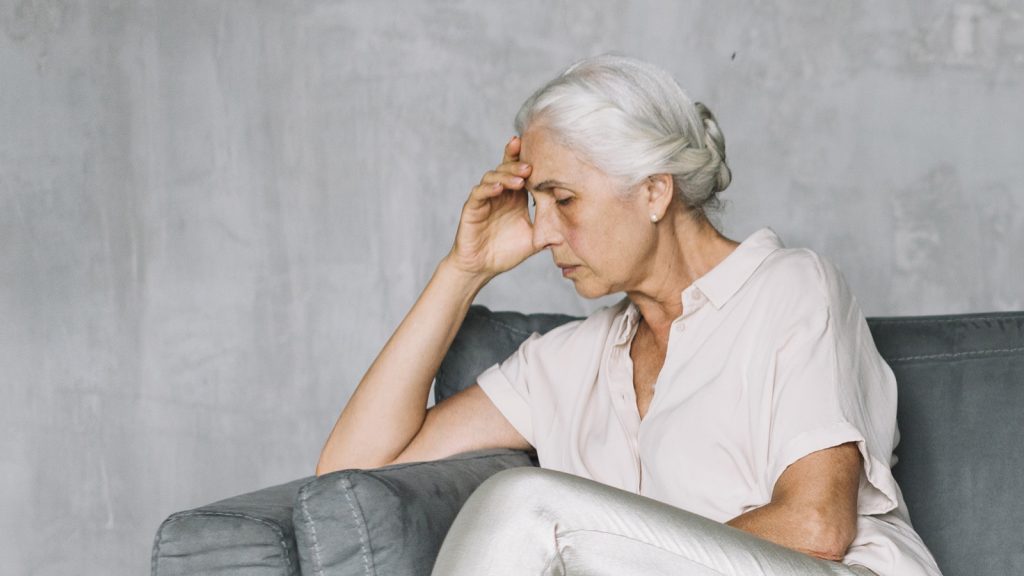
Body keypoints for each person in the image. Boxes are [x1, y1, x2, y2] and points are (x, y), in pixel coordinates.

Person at [316, 55, 942, 576]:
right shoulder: (567, 360)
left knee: (524, 506)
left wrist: (595, 549)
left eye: (563, 200)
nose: (544, 235)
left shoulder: (791, 288)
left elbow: (815, 526)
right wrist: (464, 269)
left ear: (653, 191)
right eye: (536, 205)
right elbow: (351, 470)